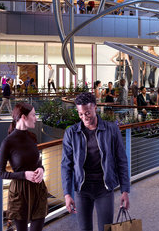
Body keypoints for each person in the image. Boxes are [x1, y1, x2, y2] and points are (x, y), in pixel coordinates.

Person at [61, 92, 130, 231]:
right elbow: (66, 166)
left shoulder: (111, 130)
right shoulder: (71, 133)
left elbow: (121, 161)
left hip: (104, 189)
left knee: (106, 229)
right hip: (82, 190)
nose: (84, 117)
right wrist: (67, 194)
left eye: (87, 113)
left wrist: (125, 190)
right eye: (80, 114)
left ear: (95, 108)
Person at [0, 102, 48, 231]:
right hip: (19, 192)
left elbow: (37, 162)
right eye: (33, 115)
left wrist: (41, 169)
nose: (36, 118)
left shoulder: (32, 137)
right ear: (24, 117)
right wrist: (24, 174)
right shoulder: (8, 142)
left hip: (38, 188)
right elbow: (0, 173)